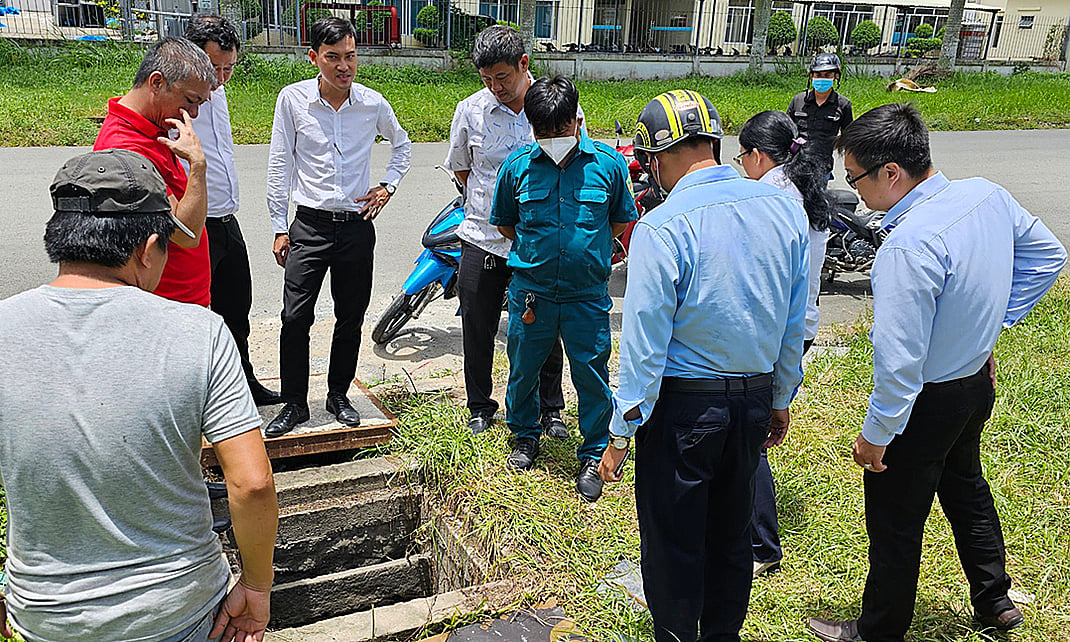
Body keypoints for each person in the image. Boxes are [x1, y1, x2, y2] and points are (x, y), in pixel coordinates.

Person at [807, 104, 1066, 642]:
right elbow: (1048, 255)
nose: (856, 192)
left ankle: (878, 629)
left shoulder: (907, 245)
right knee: (965, 485)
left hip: (926, 402)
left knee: (895, 518)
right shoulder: (985, 195)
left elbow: (900, 365)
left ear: (891, 173)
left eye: (855, 178)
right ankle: (996, 600)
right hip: (974, 385)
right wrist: (990, 325)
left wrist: (877, 436)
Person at [0, 149, 279, 642]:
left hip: (47, 616)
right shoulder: (200, 332)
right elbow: (253, 483)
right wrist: (256, 587)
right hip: (180, 612)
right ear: (148, 248)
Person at [599, 90, 809, 642]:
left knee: (673, 542)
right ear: (714, 144)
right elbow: (794, 320)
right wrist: (782, 397)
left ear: (658, 157)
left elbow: (645, 344)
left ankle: (675, 634)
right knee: (730, 535)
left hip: (684, 408)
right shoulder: (782, 210)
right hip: (753, 398)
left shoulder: (663, 226)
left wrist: (621, 431)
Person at [490, 76, 637, 502]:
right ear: (531, 128)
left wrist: (582, 254)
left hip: (586, 295)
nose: (553, 139)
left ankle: (593, 454)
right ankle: (524, 436)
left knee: (591, 374)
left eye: (560, 130)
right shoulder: (516, 168)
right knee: (523, 370)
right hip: (531, 293)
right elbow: (505, 223)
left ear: (576, 119)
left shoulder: (607, 165)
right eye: (543, 133)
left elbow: (618, 220)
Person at [265, 16, 411, 437]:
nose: (343, 66)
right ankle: (294, 403)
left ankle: (338, 395)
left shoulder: (372, 103)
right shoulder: (292, 100)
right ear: (314, 58)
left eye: (350, 56)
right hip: (308, 225)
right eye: (333, 57)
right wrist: (280, 226)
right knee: (295, 316)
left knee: (351, 316)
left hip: (355, 226)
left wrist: (387, 186)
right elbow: (280, 164)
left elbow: (401, 145)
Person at [445, 24, 569, 437]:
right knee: (477, 329)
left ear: (524, 64)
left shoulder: (553, 106)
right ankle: (480, 406)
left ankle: (550, 410)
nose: (495, 87)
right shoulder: (470, 110)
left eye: (503, 77)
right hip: (482, 238)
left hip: (536, 243)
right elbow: (462, 168)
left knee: (543, 329)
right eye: (486, 79)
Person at [736, 109, 833, 575]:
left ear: (757, 156)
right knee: (752, 432)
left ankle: (761, 547)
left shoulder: (769, 199)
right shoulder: (805, 193)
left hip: (777, 331)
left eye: (742, 157)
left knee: (751, 439)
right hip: (801, 325)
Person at [184, 14, 282, 406]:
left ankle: (244, 383)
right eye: (214, 68)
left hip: (226, 219)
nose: (221, 77)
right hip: (195, 225)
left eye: (229, 67)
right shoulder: (180, 102)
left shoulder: (219, 93)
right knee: (197, 318)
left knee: (237, 311)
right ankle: (199, 397)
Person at [93, 36, 215, 306]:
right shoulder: (128, 148)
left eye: (200, 104)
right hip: (166, 304)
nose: (193, 113)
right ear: (157, 82)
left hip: (181, 300)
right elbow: (186, 234)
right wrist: (198, 165)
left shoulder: (152, 130)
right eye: (190, 100)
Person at [787, 53, 853, 181]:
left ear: (836, 77)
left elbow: (849, 138)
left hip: (822, 167)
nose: (822, 78)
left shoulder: (843, 105)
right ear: (811, 75)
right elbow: (785, 130)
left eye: (827, 75)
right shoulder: (798, 100)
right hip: (795, 164)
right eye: (818, 75)